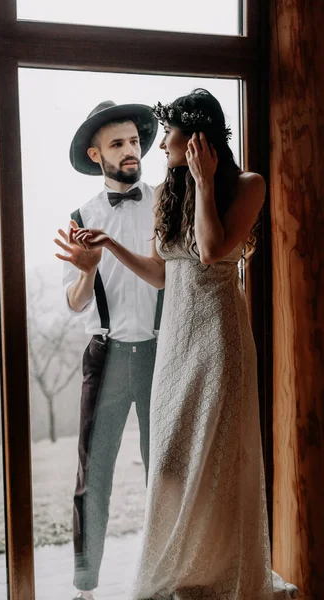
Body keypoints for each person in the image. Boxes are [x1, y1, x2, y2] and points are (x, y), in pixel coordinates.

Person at [70, 89, 300, 599]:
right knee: (173, 458)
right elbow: (160, 274)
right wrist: (109, 244)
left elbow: (214, 250)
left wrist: (201, 181)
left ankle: (224, 573)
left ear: (194, 137)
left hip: (219, 337)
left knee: (219, 453)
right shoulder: (167, 193)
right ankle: (183, 568)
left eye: (167, 133)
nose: (160, 146)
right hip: (173, 340)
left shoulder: (248, 185)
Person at [54, 100, 163, 600]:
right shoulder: (82, 217)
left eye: (134, 142)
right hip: (106, 356)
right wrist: (87, 268)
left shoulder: (165, 199)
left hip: (164, 354)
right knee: (92, 476)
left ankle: (162, 577)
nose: (131, 151)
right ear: (97, 155)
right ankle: (86, 587)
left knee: (164, 472)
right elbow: (76, 304)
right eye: (117, 144)